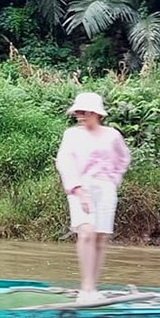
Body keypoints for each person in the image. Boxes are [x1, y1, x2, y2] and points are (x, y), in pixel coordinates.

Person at [56, 90, 131, 304]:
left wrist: (113, 180)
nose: (80, 115)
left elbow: (123, 159)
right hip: (80, 186)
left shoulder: (112, 135)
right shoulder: (72, 135)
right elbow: (64, 162)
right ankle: (86, 288)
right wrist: (77, 189)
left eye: (85, 111)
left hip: (105, 187)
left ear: (96, 113)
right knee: (86, 231)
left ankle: (94, 286)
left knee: (100, 236)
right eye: (78, 112)